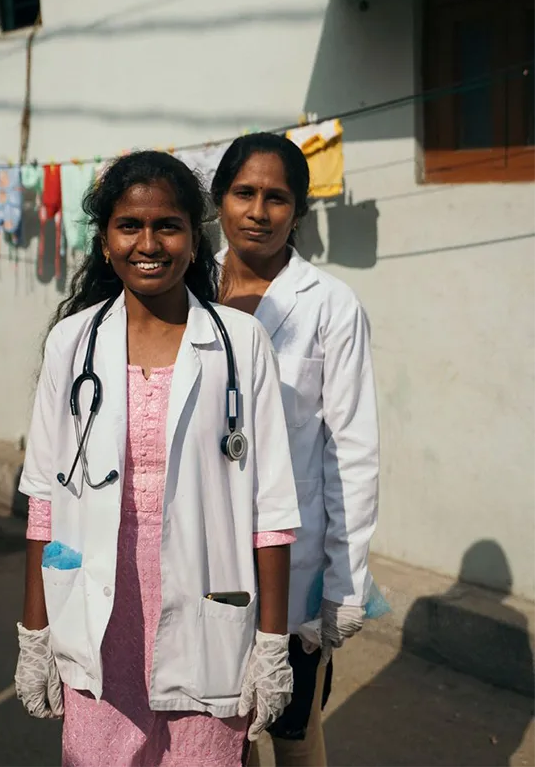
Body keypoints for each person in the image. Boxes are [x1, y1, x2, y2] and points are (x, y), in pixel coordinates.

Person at [13, 150, 302, 767]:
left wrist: (272, 644)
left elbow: (271, 510)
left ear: (194, 241)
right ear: (107, 241)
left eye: (168, 226)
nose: (150, 243)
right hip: (98, 609)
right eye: (130, 226)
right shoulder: (72, 344)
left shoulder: (241, 344)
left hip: (208, 608)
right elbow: (43, 500)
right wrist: (34, 633)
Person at [212, 134, 379, 767]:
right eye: (244, 193)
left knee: (293, 729)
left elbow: (352, 450)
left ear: (299, 213)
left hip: (298, 557)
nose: (259, 211)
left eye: (277, 197)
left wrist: (345, 580)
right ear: (220, 201)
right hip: (207, 551)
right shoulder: (187, 290)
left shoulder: (332, 305)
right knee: (221, 725)